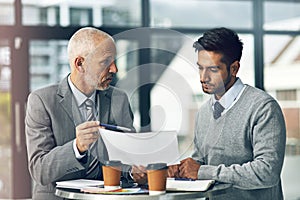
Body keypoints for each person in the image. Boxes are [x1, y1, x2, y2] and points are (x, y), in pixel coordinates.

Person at [168, 27, 286, 199]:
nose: (203, 77)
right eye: (200, 68)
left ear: (234, 68)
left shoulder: (263, 107)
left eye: (213, 70)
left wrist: (202, 171)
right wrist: (182, 169)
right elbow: (201, 164)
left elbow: (267, 172)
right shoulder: (203, 113)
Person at [25, 27, 136, 200]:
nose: (114, 69)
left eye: (114, 61)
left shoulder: (118, 99)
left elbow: (129, 157)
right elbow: (40, 171)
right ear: (80, 64)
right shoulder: (42, 101)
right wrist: (77, 147)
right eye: (105, 62)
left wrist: (136, 169)